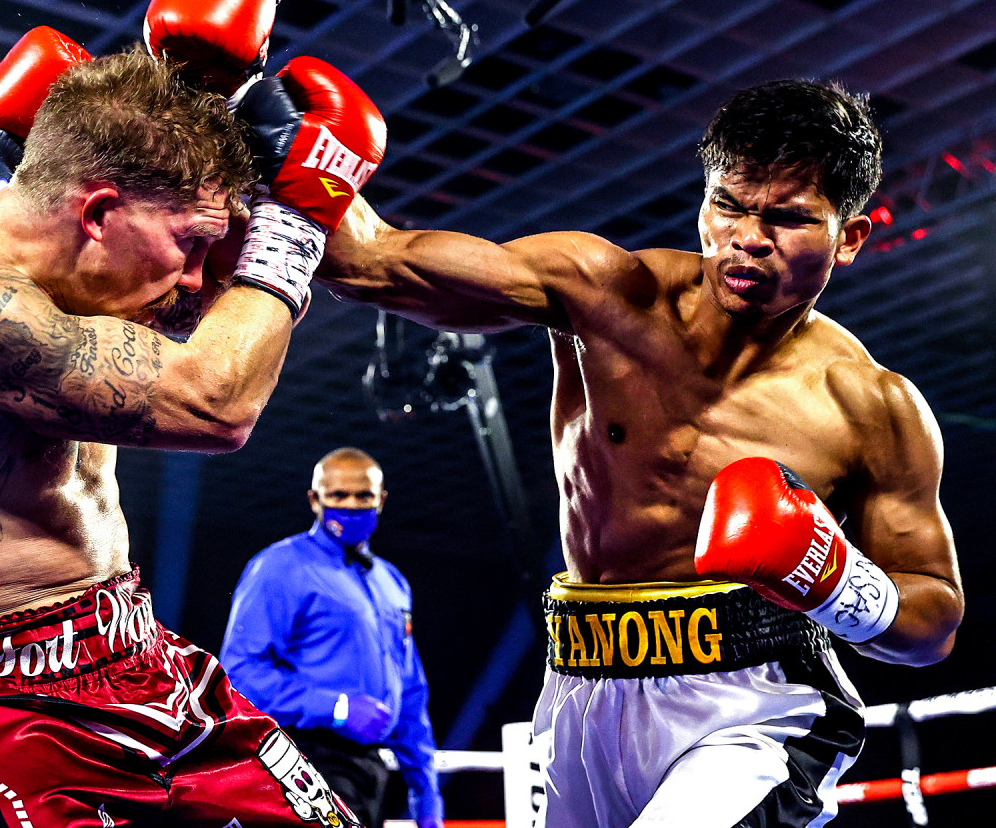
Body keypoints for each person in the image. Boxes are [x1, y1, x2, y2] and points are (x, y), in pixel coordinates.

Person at [0, 0, 385, 826]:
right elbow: (212, 401)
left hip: (139, 652)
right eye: (190, 246)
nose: (200, 281)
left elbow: (264, 297)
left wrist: (218, 111)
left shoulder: (82, 265)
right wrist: (298, 218)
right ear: (98, 211)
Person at [311, 79, 964, 826]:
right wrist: (273, 142)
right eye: (729, 205)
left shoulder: (871, 406)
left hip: (751, 702)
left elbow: (933, 623)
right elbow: (371, 263)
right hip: (580, 686)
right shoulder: (608, 295)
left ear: (848, 237)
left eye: (787, 218)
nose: (747, 239)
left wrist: (836, 579)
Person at [220, 448, 445, 828]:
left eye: (363, 495)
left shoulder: (392, 582)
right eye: (339, 495)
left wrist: (426, 790)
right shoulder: (279, 567)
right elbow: (239, 672)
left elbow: (409, 689)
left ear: (381, 499)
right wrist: (336, 707)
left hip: (372, 769)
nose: (352, 505)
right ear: (315, 499)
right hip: (304, 759)